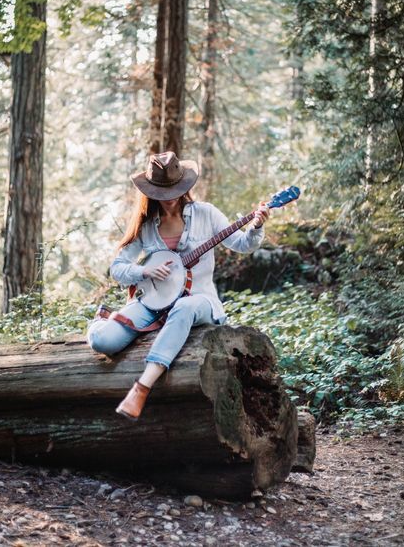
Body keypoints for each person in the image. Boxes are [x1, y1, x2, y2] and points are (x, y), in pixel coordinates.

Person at [86, 151, 269, 420]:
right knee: (103, 341)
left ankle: (142, 387)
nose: (170, 198)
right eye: (162, 192)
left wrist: (255, 227)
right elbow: (117, 268)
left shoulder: (206, 214)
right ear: (151, 192)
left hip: (199, 301)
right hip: (152, 302)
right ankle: (102, 319)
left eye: (174, 190)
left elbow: (243, 245)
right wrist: (144, 270)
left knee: (184, 306)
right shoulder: (146, 226)